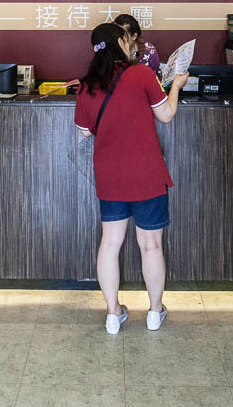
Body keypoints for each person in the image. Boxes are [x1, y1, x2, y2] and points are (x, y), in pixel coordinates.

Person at [74, 22, 188, 334]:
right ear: (122, 43)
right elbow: (166, 115)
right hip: (146, 172)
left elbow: (85, 131)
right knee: (150, 244)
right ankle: (154, 311)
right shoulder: (142, 74)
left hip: (109, 174)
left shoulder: (87, 85)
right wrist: (176, 85)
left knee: (110, 243)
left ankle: (113, 314)